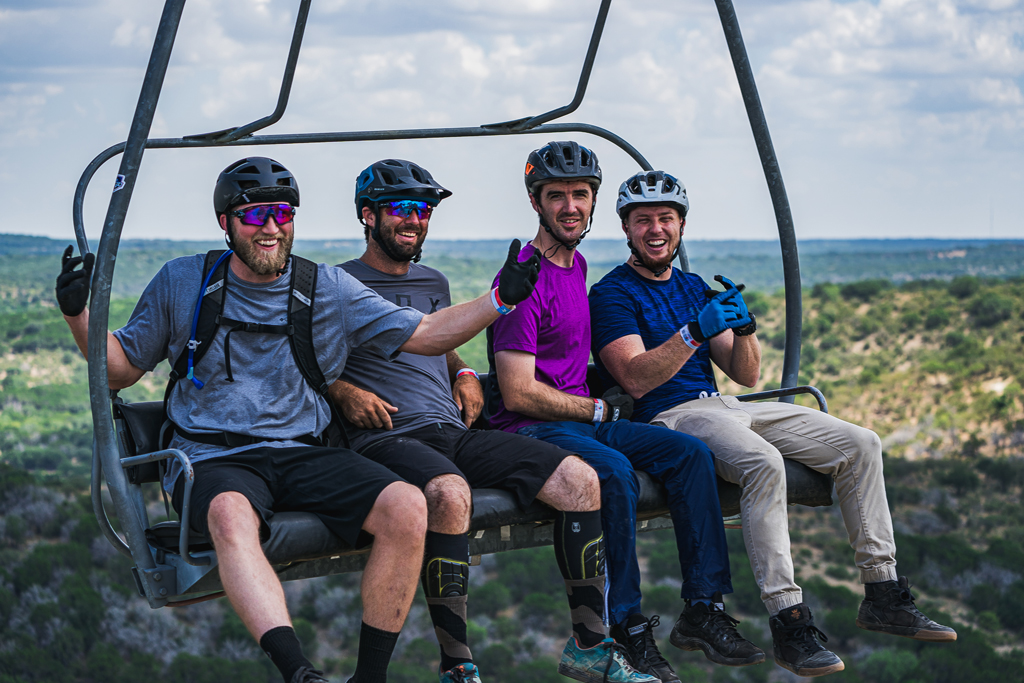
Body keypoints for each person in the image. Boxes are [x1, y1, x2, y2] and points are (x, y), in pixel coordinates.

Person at [54, 156, 540, 683]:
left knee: (406, 506)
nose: (270, 228)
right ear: (225, 223)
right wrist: (80, 315)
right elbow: (119, 370)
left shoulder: (325, 288)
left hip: (304, 451)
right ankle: (299, 673)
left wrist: (499, 299)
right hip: (216, 454)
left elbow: (425, 334)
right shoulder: (183, 283)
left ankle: (368, 676)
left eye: (282, 214)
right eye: (254, 215)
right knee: (229, 517)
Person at [589, 169, 958, 678]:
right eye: (644, 220)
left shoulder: (694, 286)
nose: (656, 229)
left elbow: (745, 373)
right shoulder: (611, 294)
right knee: (763, 463)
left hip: (724, 404)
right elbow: (634, 378)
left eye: (666, 219)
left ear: (682, 225)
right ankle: (788, 619)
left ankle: (883, 589)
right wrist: (694, 331)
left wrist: (744, 329)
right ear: (626, 229)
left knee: (861, 444)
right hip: (671, 417)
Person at [329, 158, 657, 683]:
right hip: (384, 434)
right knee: (451, 494)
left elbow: (435, 339)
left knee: (580, 480)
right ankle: (458, 665)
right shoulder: (339, 284)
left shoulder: (432, 280)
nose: (415, 220)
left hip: (450, 429)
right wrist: (341, 388)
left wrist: (462, 374)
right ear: (368, 216)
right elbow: (303, 359)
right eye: (401, 210)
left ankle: (590, 646)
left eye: (423, 210)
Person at [488, 142, 764, 683]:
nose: (570, 207)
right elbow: (518, 392)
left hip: (585, 418)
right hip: (537, 426)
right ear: (535, 201)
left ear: (592, 203)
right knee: (612, 473)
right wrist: (596, 409)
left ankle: (703, 607)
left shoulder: (576, 264)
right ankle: (625, 628)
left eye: (580, 195)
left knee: (688, 453)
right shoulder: (524, 278)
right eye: (557, 196)